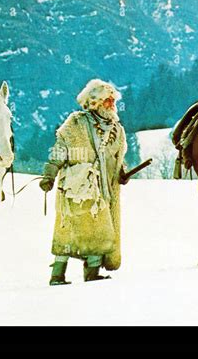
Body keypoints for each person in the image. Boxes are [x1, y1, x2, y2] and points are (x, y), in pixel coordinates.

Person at [39, 79, 128, 285]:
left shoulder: (116, 129)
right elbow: (59, 150)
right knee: (68, 229)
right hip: (76, 188)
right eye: (108, 101)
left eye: (113, 101)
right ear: (95, 102)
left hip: (102, 192)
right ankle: (57, 274)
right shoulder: (76, 123)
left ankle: (92, 272)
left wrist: (122, 172)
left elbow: (116, 158)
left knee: (100, 229)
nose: (111, 105)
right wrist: (49, 175)